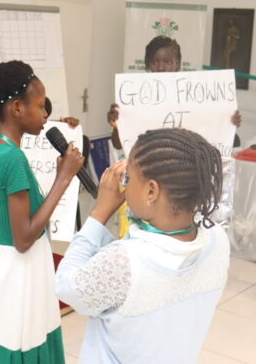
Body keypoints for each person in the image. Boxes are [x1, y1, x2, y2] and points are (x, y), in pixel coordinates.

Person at [55, 128, 230, 364]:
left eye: (129, 178)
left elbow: (67, 286)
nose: (124, 187)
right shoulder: (217, 239)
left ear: (151, 190)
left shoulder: (124, 262)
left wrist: (99, 214)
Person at [0, 60, 84, 363]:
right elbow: (24, 238)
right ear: (18, 108)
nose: (45, 114)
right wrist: (64, 178)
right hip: (20, 271)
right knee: (22, 340)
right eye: (41, 106)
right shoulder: (12, 159)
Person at [107, 36, 240, 238]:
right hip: (147, 180)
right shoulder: (132, 97)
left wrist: (227, 120)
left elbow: (212, 132)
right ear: (147, 65)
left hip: (180, 182)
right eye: (155, 62)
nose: (161, 67)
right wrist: (117, 124)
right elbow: (119, 144)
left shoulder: (196, 96)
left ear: (178, 65)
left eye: (167, 62)